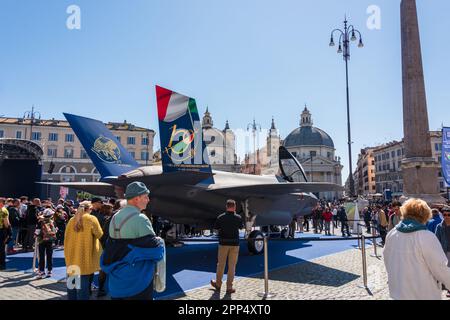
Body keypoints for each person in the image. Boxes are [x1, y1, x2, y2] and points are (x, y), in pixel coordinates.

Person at [101, 182, 164, 300]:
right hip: (138, 282)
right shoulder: (141, 219)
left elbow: (110, 244)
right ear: (137, 198)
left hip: (116, 282)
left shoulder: (115, 217)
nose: (148, 200)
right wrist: (160, 243)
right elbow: (156, 252)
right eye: (146, 197)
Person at [383, 198, 450, 300]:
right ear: (425, 215)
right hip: (423, 294)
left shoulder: (392, 234)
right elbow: (440, 267)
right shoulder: (426, 236)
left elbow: (387, 260)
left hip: (398, 292)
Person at [64, 201, 103, 300]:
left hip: (71, 254)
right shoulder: (91, 219)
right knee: (83, 285)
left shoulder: (72, 220)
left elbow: (66, 236)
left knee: (72, 282)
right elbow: (99, 234)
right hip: (85, 255)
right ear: (89, 209)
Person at [210, 199, 243, 294]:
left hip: (223, 244)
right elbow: (241, 227)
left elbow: (215, 229)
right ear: (234, 207)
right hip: (235, 244)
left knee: (221, 265)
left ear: (226, 206)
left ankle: (218, 284)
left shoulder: (221, 217)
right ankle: (229, 287)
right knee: (232, 266)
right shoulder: (238, 217)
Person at [35, 208, 57, 279]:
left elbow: (37, 231)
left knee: (41, 256)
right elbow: (55, 230)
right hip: (50, 240)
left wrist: (35, 235)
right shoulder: (52, 221)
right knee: (49, 256)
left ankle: (41, 271)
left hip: (41, 240)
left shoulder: (40, 221)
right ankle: (49, 271)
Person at [435, 206, 450, 298]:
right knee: (447, 271)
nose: (447, 216)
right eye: (445, 214)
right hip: (445, 251)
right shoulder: (439, 226)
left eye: (449, 214)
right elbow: (436, 240)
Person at [0, 198, 11, 270]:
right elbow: (6, 223)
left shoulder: (3, 210)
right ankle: (2, 265)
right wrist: (9, 232)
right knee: (1, 248)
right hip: (1, 231)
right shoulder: (4, 210)